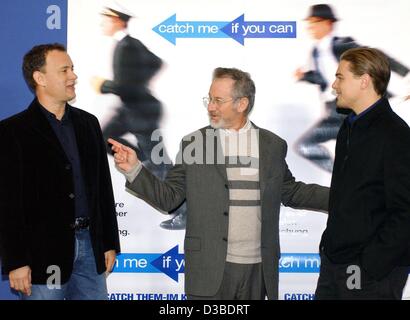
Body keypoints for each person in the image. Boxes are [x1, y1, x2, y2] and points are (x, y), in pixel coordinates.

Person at [108, 67, 329, 300]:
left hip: (258, 270)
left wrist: (344, 196)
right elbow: (169, 198)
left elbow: (291, 191)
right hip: (209, 270)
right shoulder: (194, 143)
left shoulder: (272, 145)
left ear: (242, 103)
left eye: (218, 100)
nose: (210, 107)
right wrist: (134, 169)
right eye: (209, 99)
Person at [0, 43, 120, 300]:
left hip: (91, 247)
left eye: (72, 69)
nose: (73, 76)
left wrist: (109, 242)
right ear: (39, 78)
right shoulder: (12, 131)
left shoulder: (89, 124)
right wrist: (16, 261)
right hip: (42, 254)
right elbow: (8, 203)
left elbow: (102, 188)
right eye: (64, 70)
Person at [315, 47, 410, 300]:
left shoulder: (396, 135)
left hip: (368, 273)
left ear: (364, 80)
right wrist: (329, 245)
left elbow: (406, 212)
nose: (334, 85)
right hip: (334, 262)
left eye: (340, 77)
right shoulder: (348, 127)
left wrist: (370, 264)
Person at [91, 3, 186, 230]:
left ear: (117, 20)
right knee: (103, 137)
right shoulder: (126, 44)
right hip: (131, 110)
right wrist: (138, 84)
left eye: (105, 19)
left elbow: (125, 85)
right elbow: (155, 63)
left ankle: (186, 213)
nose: (102, 24)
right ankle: (142, 158)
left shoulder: (127, 46)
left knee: (161, 166)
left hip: (141, 111)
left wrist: (104, 85)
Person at [294, 3, 410, 173]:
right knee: (307, 146)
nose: (311, 27)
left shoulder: (342, 44)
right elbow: (324, 79)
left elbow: (377, 56)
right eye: (309, 23)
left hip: (351, 108)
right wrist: (305, 76)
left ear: (328, 23)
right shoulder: (315, 52)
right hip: (334, 110)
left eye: (315, 22)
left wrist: (407, 74)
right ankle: (346, 176)